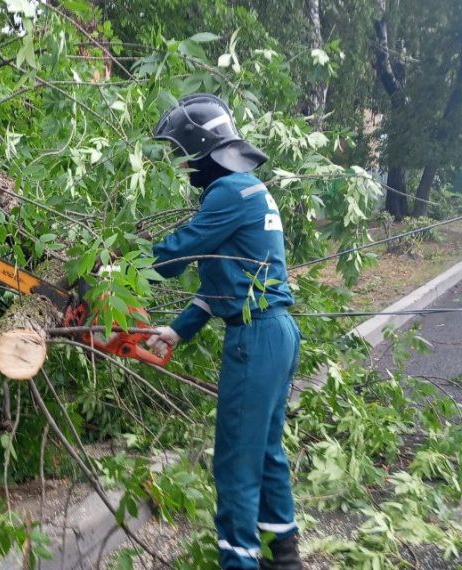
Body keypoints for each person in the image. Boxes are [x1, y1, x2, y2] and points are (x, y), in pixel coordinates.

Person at [145, 93, 303, 570]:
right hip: (277, 332)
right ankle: (284, 557)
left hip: (254, 338)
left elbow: (175, 256)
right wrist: (178, 330)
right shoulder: (249, 188)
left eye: (182, 154)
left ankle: (240, 561)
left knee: (235, 461)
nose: (182, 166)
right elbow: (219, 283)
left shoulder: (228, 192)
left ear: (202, 149)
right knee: (266, 451)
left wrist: (115, 268)